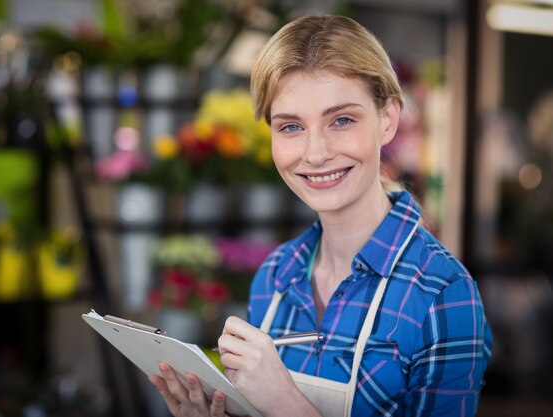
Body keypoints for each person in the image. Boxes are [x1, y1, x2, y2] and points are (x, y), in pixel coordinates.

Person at [149, 14, 493, 417]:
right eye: (291, 127)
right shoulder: (276, 276)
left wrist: (286, 403)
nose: (315, 153)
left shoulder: (442, 294)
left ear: (388, 119)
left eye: (341, 120)